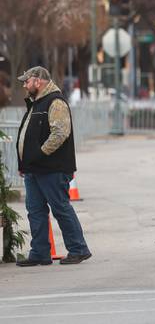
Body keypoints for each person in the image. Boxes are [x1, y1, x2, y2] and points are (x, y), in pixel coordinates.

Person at [15, 66, 91, 266]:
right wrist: (25, 163)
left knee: (60, 208)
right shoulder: (36, 103)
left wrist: (39, 155)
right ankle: (40, 253)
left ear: (38, 81)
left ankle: (78, 249)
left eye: (27, 81)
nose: (24, 85)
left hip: (52, 169)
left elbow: (59, 134)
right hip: (34, 169)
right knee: (35, 211)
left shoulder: (55, 102)